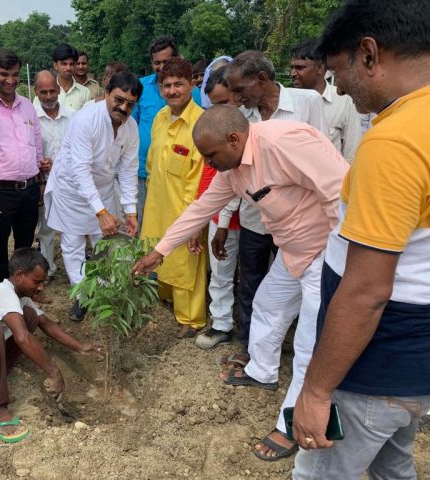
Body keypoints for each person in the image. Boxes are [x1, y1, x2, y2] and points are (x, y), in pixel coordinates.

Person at [132, 105, 348, 462]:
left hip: (328, 251)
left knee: (310, 345)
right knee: (268, 304)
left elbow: (341, 193)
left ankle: (292, 424)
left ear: (234, 139)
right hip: (292, 251)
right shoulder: (231, 168)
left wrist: (342, 262)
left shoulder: (283, 142)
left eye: (210, 155)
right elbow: (201, 209)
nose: (207, 163)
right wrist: (160, 251)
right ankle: (261, 372)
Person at [292, 1, 430, 478]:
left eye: (336, 73)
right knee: (393, 469)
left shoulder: (394, 142)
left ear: (369, 55)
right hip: (417, 360)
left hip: (374, 367)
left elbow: (367, 289)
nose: (339, 89)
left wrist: (314, 391)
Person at [221, 51, 329, 384]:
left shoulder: (307, 103)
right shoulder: (242, 118)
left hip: (315, 229)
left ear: (262, 79)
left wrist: (339, 230)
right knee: (263, 294)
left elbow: (327, 157)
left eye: (241, 89)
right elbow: (226, 180)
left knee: (312, 320)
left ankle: (303, 400)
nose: (237, 98)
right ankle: (261, 369)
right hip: (262, 217)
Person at [0, 248, 102, 443]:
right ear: (20, 275)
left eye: (43, 282)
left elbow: (46, 323)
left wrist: (79, 346)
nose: (41, 288)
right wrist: (54, 372)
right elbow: (22, 338)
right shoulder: (3, 294)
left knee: (30, 316)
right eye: (37, 281)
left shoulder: (20, 297)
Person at [45, 71, 141, 321]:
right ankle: (83, 294)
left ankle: (105, 290)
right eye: (119, 100)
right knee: (74, 244)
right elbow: (80, 170)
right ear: (106, 94)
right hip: (72, 189)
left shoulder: (131, 128)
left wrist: (130, 211)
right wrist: (100, 212)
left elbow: (129, 170)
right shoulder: (86, 119)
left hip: (104, 188)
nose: (123, 108)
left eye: (130, 104)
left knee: (104, 242)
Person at [0, 49, 48, 287]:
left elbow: (37, 145)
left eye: (15, 75)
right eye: (4, 74)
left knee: (24, 246)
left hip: (29, 187)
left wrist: (41, 183)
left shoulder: (27, 106)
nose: (11, 80)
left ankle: (24, 292)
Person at [140, 58, 207, 338]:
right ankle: (168, 300)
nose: (172, 91)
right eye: (166, 85)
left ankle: (190, 320)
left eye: (178, 84)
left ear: (192, 84)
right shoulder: (160, 118)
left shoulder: (202, 123)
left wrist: (195, 223)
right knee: (158, 254)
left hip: (185, 209)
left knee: (185, 263)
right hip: (157, 203)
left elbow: (202, 177)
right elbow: (151, 165)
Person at [193, 64, 243, 350]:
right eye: (214, 105)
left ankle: (249, 328)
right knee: (221, 273)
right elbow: (213, 175)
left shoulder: (247, 128)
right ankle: (222, 323)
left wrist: (223, 221)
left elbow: (239, 178)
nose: (219, 109)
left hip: (246, 217)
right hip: (219, 213)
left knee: (252, 276)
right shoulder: (213, 126)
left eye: (223, 102)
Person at [132, 36, 202, 229]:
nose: (162, 66)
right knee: (147, 224)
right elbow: (132, 124)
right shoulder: (142, 88)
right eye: (157, 62)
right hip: (146, 172)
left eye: (166, 61)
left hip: (182, 180)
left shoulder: (195, 101)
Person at [33, 70, 73, 287]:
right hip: (43, 182)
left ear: (58, 90)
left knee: (71, 228)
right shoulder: (30, 117)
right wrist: (39, 165)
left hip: (69, 182)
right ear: (36, 92)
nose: (48, 96)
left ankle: (74, 268)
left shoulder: (72, 115)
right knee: (46, 228)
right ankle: (48, 268)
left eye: (52, 91)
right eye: (43, 92)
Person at [290, 39, 361, 162]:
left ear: (320, 68)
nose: (293, 74)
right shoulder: (287, 103)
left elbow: (352, 152)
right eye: (291, 68)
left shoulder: (343, 100)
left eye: (299, 68)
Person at [34, 43, 91, 112]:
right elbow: (36, 115)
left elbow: (87, 119)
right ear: (55, 65)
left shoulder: (84, 92)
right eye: (64, 64)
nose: (68, 68)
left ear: (75, 65)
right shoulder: (44, 92)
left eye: (71, 64)